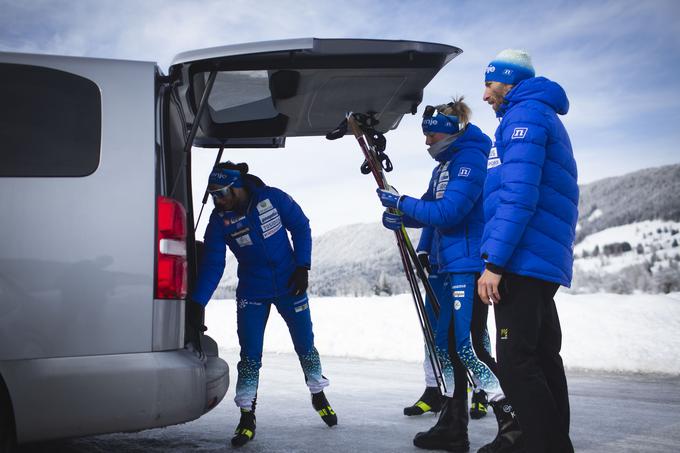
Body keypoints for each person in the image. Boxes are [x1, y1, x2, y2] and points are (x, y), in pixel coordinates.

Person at [377, 98, 521, 452]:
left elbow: (450, 211)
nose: (427, 143)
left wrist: (403, 204)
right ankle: (453, 423)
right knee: (445, 348)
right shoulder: (444, 166)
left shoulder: (470, 158)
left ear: (449, 131)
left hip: (468, 265)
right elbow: (428, 208)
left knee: (467, 346)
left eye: (431, 135)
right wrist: (401, 214)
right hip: (447, 263)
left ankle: (513, 419)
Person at [191, 161, 337, 448]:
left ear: (236, 187)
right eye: (212, 195)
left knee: (305, 344)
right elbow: (212, 263)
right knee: (250, 355)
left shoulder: (273, 198)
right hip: (252, 291)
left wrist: (302, 265)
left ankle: (317, 392)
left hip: (289, 284)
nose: (217, 201)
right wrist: (198, 302)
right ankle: (247, 416)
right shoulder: (219, 221)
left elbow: (301, 226)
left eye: (221, 193)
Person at [479, 49, 578, 453]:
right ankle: (550, 442)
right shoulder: (539, 113)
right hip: (536, 258)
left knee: (517, 361)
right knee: (541, 356)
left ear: (508, 81)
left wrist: (495, 263)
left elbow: (518, 196)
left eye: (489, 84)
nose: (485, 95)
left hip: (520, 259)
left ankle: (546, 445)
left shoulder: (524, 116)